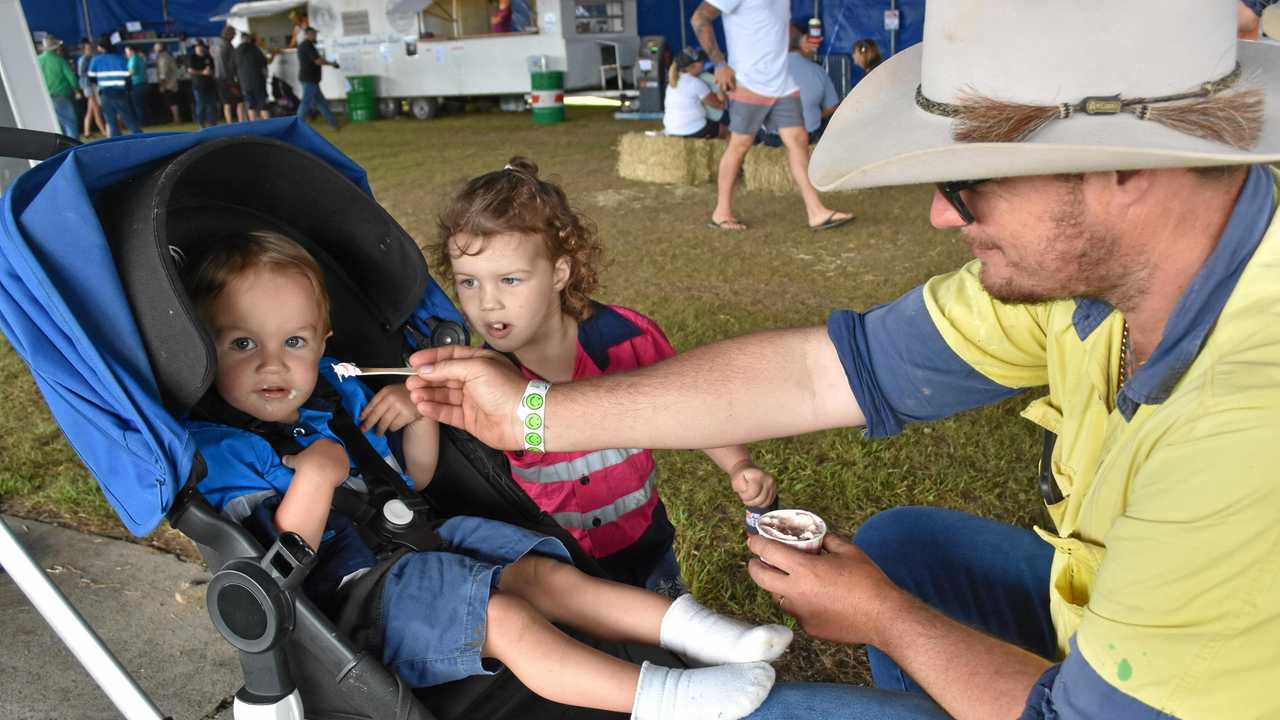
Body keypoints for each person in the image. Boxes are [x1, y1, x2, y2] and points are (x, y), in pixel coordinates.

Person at [405, 1, 1280, 718]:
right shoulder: (1106, 278)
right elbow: (825, 371)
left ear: (1122, 169)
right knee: (900, 545)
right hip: (1116, 625)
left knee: (760, 712)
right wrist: (530, 411)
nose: (943, 218)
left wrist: (886, 622)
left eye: (969, 184)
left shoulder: (1246, 425)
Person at [180, 230, 789, 720]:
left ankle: (701, 634)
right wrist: (315, 476)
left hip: (424, 545)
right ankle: (660, 700)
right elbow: (284, 565)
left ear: (323, 343)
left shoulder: (336, 409)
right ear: (205, 347)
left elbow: (411, 481)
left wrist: (416, 409)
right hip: (358, 601)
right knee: (508, 619)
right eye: (241, 344)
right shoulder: (222, 451)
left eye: (293, 341)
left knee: (542, 576)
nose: (271, 364)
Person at [432, 158, 779, 594]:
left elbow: (692, 406)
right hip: (561, 570)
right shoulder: (484, 383)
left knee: (676, 637)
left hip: (646, 545)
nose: (487, 303)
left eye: (509, 280)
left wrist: (738, 463)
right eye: (468, 283)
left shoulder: (626, 340)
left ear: (559, 272)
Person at [691, 0, 853, 231]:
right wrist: (719, 64)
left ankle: (816, 212)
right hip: (749, 81)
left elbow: (776, 26)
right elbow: (699, 18)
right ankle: (721, 212)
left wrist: (799, 40)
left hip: (782, 81)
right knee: (739, 144)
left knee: (798, 141)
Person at [759, 24, 838, 147]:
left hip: (776, 140)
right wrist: (815, 114)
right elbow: (832, 107)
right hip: (809, 138)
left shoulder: (765, 72)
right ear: (803, 43)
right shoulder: (818, 71)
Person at [663, 48, 727, 139]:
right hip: (693, 131)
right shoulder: (696, 83)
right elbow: (721, 105)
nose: (704, 62)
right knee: (726, 124)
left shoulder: (672, 83)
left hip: (671, 130)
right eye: (701, 61)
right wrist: (719, 84)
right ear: (693, 65)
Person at [87, 37, 142, 137]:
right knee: (129, 119)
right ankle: (140, 139)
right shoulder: (120, 58)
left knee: (111, 122)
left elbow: (91, 77)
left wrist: (100, 83)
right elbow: (127, 77)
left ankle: (115, 143)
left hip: (105, 93)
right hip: (120, 93)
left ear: (100, 48)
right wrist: (128, 90)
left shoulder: (96, 59)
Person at [295, 27, 341, 131]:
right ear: (308, 34)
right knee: (305, 103)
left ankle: (334, 124)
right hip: (309, 79)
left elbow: (317, 60)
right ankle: (296, 126)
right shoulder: (307, 45)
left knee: (321, 103)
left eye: (315, 34)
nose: (315, 36)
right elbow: (317, 61)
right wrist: (332, 63)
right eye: (314, 34)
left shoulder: (306, 45)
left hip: (311, 79)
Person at [36, 36, 79, 141]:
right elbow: (71, 78)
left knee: (56, 124)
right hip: (61, 95)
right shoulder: (60, 61)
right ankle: (72, 146)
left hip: (44, 97)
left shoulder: (37, 60)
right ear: (56, 48)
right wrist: (77, 89)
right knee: (70, 122)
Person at [235, 33, 272, 121]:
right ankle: (268, 126)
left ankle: (253, 127)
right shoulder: (255, 49)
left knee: (251, 106)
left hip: (244, 83)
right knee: (263, 105)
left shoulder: (236, 51)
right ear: (249, 39)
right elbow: (264, 63)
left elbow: (233, 67)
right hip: (258, 81)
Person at [214, 26, 245, 124]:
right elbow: (232, 64)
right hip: (228, 78)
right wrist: (232, 80)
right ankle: (241, 122)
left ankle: (229, 123)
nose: (234, 36)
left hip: (219, 77)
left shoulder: (216, 44)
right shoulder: (227, 45)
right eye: (234, 34)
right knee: (239, 101)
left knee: (226, 103)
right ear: (229, 34)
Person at [76, 39, 107, 138]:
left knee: (91, 110)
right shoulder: (83, 59)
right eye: (88, 48)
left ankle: (87, 131)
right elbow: (81, 74)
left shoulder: (90, 58)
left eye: (91, 48)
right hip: (88, 86)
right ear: (84, 49)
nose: (90, 50)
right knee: (96, 109)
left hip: (91, 86)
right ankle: (103, 131)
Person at [187, 41, 218, 128]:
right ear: (195, 48)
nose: (200, 48)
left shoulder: (208, 57)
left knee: (211, 105)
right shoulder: (192, 58)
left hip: (210, 85)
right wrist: (202, 72)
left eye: (201, 46)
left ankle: (212, 124)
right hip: (198, 85)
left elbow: (213, 69)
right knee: (201, 105)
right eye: (198, 47)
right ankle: (201, 124)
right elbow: (190, 70)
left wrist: (210, 72)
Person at [152, 42, 180, 124]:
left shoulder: (163, 57)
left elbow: (163, 73)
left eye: (155, 48)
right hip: (172, 82)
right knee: (172, 101)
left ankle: (176, 119)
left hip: (169, 84)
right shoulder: (167, 56)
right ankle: (176, 118)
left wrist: (162, 85)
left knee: (172, 102)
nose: (154, 50)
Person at [124, 45, 149, 126]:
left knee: (137, 105)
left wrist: (123, 75)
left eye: (126, 51)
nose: (126, 53)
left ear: (131, 51)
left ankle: (141, 123)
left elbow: (132, 71)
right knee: (142, 104)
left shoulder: (133, 58)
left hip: (137, 84)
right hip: (143, 83)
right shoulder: (139, 57)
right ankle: (144, 121)